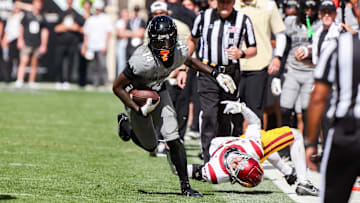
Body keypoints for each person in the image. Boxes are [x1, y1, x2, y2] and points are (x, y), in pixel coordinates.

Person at [113, 15, 236, 197]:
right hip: (138, 95)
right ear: (151, 41)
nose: (164, 47)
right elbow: (117, 87)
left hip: (160, 92)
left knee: (174, 138)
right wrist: (137, 107)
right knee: (151, 146)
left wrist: (215, 73)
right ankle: (125, 124)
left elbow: (189, 60)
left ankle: (185, 187)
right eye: (160, 42)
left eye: (168, 41)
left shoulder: (178, 50)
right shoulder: (140, 61)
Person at [188, 100, 319, 195]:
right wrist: (242, 108)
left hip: (219, 141)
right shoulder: (252, 149)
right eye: (242, 160)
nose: (237, 159)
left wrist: (174, 153)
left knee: (206, 114)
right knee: (292, 136)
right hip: (243, 143)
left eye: (236, 164)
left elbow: (186, 170)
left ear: (233, 175)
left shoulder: (214, 172)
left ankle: (290, 173)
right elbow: (255, 123)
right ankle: (301, 180)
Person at [186, 0, 257, 163]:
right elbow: (192, 40)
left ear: (233, 2)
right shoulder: (203, 17)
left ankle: (222, 157)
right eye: (222, 2)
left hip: (230, 74)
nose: (225, 5)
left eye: (228, 2)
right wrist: (183, 66)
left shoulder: (243, 19)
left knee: (225, 116)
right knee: (209, 115)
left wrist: (242, 53)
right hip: (207, 72)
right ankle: (207, 157)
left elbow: (253, 48)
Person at [306, 0, 360, 201]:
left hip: (347, 132)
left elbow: (318, 97)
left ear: (355, 10)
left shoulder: (341, 44)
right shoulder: (328, 35)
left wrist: (310, 142)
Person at [234, 0, 287, 130]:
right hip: (234, 65)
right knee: (233, 110)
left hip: (258, 65)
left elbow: (280, 34)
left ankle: (255, 146)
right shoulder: (231, 4)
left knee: (255, 110)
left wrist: (277, 57)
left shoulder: (268, 5)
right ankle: (233, 145)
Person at [15, 0, 49, 88]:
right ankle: (19, 80)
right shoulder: (27, 14)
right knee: (24, 61)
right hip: (27, 42)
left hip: (37, 43)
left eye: (40, 3)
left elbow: (44, 31)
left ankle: (31, 81)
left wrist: (44, 44)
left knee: (34, 62)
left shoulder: (42, 16)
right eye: (36, 3)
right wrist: (20, 39)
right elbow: (21, 27)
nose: (38, 5)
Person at [54, 0, 85, 90]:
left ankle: (67, 81)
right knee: (58, 62)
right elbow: (56, 28)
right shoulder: (61, 13)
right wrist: (66, 27)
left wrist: (76, 28)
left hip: (72, 43)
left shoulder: (77, 14)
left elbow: (82, 29)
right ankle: (59, 81)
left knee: (70, 63)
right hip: (61, 43)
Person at [81, 0, 112, 88]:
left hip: (101, 45)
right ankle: (95, 83)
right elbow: (86, 33)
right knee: (93, 66)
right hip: (92, 46)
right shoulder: (90, 19)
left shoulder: (105, 18)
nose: (97, 10)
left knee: (102, 65)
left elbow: (108, 33)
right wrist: (84, 46)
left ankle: (106, 82)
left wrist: (106, 45)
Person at [1, 2, 22, 83]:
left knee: (19, 60)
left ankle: (18, 78)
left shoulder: (22, 15)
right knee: (8, 60)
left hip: (18, 39)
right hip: (10, 40)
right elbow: (7, 30)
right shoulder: (11, 16)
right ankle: (7, 78)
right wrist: (4, 40)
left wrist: (20, 4)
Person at [115, 8, 129, 76]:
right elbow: (121, 34)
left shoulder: (130, 22)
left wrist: (126, 33)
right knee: (121, 64)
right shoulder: (120, 22)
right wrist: (131, 33)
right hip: (121, 45)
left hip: (129, 46)